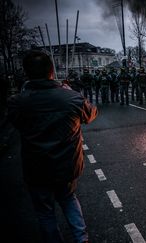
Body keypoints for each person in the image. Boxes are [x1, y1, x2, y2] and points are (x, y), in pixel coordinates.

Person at [7, 50, 98, 243]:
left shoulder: (17, 102)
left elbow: (16, 122)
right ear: (51, 71)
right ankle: (81, 239)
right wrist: (68, 91)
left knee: (45, 212)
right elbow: (91, 114)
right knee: (68, 199)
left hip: (36, 167)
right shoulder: (71, 98)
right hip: (66, 165)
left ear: (27, 73)